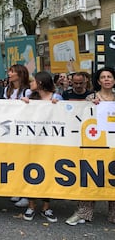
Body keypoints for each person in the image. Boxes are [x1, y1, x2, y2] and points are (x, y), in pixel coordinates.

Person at [65, 66, 115, 226]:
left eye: (109, 77)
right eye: (103, 77)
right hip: (94, 146)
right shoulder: (90, 99)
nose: (107, 79)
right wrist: (90, 107)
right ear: (98, 81)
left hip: (113, 145)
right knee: (90, 177)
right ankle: (83, 213)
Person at [20, 71, 62, 223]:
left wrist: (59, 107)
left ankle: (46, 207)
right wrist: (22, 104)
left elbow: (64, 115)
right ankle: (31, 206)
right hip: (33, 143)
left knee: (48, 174)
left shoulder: (56, 98)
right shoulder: (31, 98)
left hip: (50, 143)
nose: (30, 83)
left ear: (41, 83)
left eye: (33, 81)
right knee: (31, 172)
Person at [5, 64, 31, 208]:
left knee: (24, 160)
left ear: (20, 74)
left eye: (12, 72)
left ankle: (26, 194)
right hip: (10, 129)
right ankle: (17, 189)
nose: (9, 74)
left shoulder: (27, 91)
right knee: (14, 161)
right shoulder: (7, 90)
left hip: (22, 130)